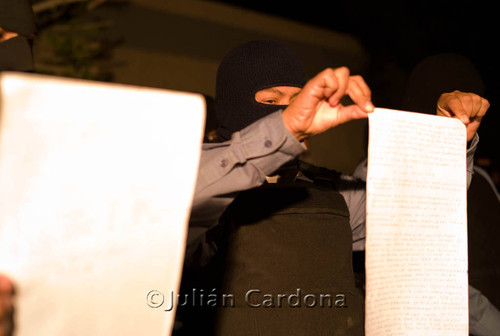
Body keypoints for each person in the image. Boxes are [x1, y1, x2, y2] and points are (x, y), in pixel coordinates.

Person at [176, 40, 487, 335]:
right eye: (271, 102)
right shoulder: (192, 177)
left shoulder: (330, 190)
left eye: (296, 102)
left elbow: (416, 217)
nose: (290, 113)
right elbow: (183, 203)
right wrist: (283, 131)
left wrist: (448, 139)